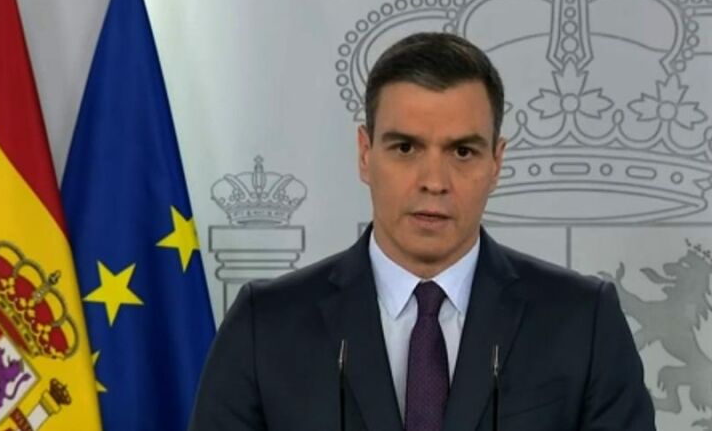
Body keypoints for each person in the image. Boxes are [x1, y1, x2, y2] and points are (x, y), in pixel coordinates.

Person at [189, 32, 655, 431]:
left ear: (497, 162)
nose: (434, 181)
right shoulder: (266, 326)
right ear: (365, 153)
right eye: (406, 148)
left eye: (463, 152)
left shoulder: (582, 322)